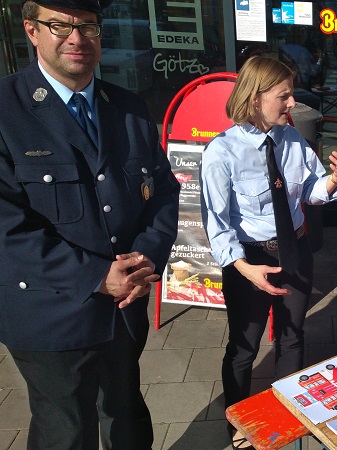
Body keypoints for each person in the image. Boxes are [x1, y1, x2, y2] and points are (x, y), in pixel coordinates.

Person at [0, 0, 181, 448]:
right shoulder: (5, 109)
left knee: (127, 418)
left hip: (123, 311)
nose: (77, 38)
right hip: (50, 312)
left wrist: (147, 258)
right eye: (59, 25)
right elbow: (6, 229)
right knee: (67, 430)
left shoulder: (129, 107)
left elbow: (162, 193)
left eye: (87, 26)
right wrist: (96, 276)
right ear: (31, 30)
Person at [200, 55, 337, 449]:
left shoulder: (293, 140)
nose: (292, 105)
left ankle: (287, 414)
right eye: (283, 96)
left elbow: (314, 194)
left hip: (296, 250)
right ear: (255, 98)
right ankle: (239, 425)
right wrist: (244, 268)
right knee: (244, 347)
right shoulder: (222, 153)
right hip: (250, 262)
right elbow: (216, 224)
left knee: (291, 336)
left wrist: (334, 179)